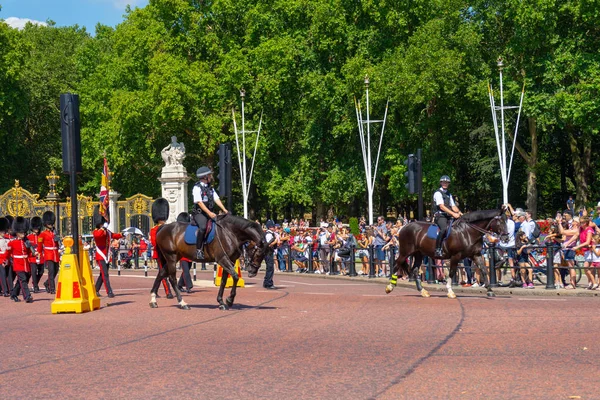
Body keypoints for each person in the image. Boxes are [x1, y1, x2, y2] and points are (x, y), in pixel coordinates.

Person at [191, 167, 228, 260]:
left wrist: (224, 209)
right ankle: (199, 250)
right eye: (210, 175)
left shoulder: (210, 188)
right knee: (203, 227)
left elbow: (216, 199)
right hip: (199, 213)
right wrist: (209, 213)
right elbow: (199, 202)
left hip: (209, 213)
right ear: (205, 177)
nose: (211, 177)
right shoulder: (196, 188)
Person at [92, 206, 123, 298]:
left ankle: (96, 290)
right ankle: (109, 291)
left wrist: (122, 234)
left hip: (106, 256)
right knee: (105, 274)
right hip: (100, 255)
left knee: (102, 274)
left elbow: (114, 235)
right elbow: (98, 236)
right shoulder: (96, 231)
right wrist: (103, 228)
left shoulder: (107, 231)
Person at [7, 217, 36, 302]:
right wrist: (5, 260)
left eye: (23, 232)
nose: (23, 233)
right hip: (18, 264)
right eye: (21, 232)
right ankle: (27, 296)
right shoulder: (12, 243)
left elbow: (29, 252)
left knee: (24, 280)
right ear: (17, 233)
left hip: (26, 264)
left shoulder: (26, 242)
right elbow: (8, 253)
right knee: (23, 280)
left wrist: (34, 254)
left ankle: (13, 294)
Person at [433, 175, 463, 258]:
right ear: (441, 183)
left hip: (448, 216)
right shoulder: (438, 193)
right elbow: (442, 206)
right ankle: (438, 249)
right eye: (443, 182)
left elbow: (453, 206)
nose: (445, 184)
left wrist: (460, 212)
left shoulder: (449, 194)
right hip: (440, 216)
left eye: (446, 182)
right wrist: (453, 214)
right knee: (443, 229)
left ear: (448, 184)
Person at [149, 198, 173, 298]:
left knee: (162, 273)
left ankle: (154, 290)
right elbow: (154, 242)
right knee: (163, 273)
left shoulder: (169, 228)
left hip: (168, 254)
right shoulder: (154, 229)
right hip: (159, 253)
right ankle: (168, 292)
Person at [38, 211, 60, 294]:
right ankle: (52, 288)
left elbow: (57, 243)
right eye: (49, 223)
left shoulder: (54, 232)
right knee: (51, 271)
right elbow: (40, 245)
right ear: (46, 224)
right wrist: (39, 254)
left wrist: (57, 240)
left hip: (55, 253)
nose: (51, 225)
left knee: (56, 270)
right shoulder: (42, 234)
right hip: (48, 254)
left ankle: (47, 283)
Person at [176, 212, 194, 293]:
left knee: (186, 271)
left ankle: (179, 285)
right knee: (186, 271)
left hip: (189, 255)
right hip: (183, 255)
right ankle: (188, 286)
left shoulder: (188, 230)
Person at [28, 216, 44, 293]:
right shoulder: (29, 237)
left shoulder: (41, 236)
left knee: (41, 272)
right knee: (33, 272)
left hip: (40, 256)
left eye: (37, 228)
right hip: (32, 257)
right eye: (35, 228)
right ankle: (35, 287)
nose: (36, 230)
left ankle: (35, 283)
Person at [263, 221, 277, 289]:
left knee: (269, 268)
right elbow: (269, 244)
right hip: (268, 253)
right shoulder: (269, 234)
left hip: (269, 252)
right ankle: (268, 283)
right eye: (273, 226)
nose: (274, 228)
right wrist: (276, 241)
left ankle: (266, 282)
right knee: (270, 268)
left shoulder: (271, 234)